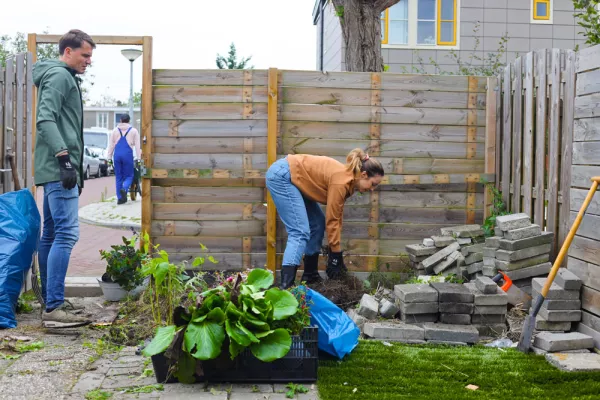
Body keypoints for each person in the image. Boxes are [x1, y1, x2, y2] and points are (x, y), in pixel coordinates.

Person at [33, 29, 96, 328]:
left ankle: (51, 300)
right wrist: (64, 159)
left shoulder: (61, 75)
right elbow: (45, 118)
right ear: (67, 51)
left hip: (55, 168)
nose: (88, 61)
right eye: (84, 55)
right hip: (60, 169)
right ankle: (54, 308)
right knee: (67, 234)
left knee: (51, 234)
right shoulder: (59, 76)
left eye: (90, 56)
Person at [266, 148, 384, 289]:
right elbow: (332, 220)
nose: (373, 189)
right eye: (373, 184)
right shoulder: (341, 182)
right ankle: (286, 288)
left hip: (295, 178)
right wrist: (335, 255)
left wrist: (336, 253)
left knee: (317, 223)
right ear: (364, 175)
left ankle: (310, 276)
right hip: (282, 176)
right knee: (299, 232)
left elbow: (337, 216)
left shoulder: (348, 181)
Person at [107, 114, 141, 204]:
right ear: (129, 121)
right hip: (127, 155)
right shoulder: (134, 131)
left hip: (117, 155)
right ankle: (124, 188)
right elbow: (137, 146)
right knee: (129, 176)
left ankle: (120, 199)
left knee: (118, 177)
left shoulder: (115, 131)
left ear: (121, 120)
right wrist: (139, 159)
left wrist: (109, 158)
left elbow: (111, 146)